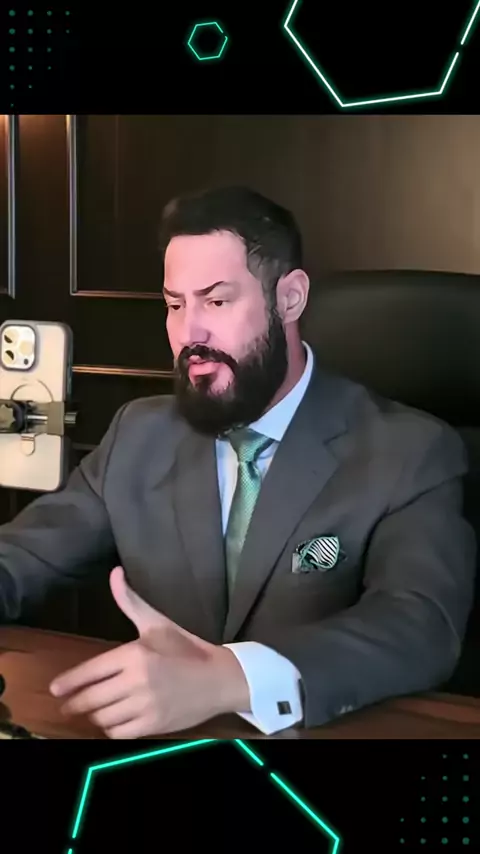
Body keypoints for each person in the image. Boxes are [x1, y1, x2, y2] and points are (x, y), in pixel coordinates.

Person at [0, 186, 476, 739]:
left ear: (289, 298)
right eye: (175, 305)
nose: (190, 333)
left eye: (217, 302)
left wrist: (232, 677)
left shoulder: (409, 450)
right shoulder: (141, 433)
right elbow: (24, 555)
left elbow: (420, 625)